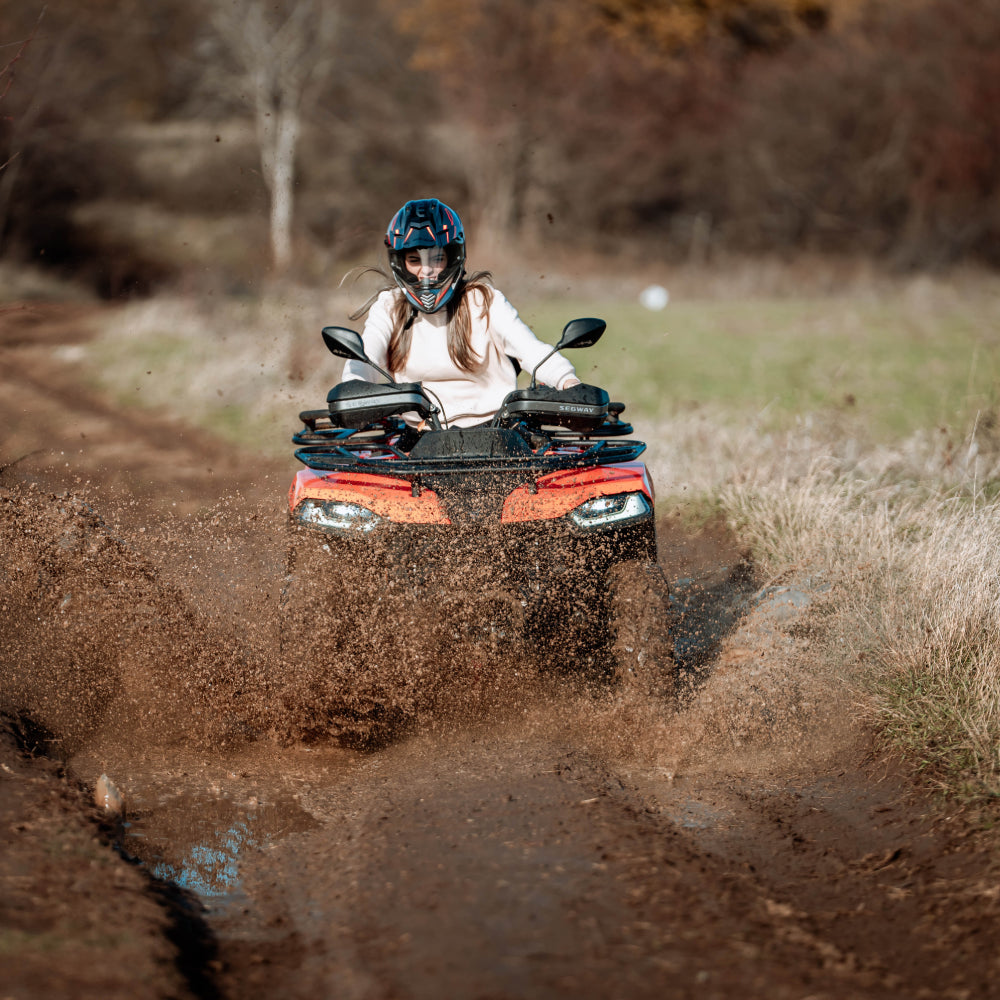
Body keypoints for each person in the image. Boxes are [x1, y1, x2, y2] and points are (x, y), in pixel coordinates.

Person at [342, 198, 581, 429]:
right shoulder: (389, 306)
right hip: (420, 437)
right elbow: (366, 358)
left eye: (437, 258)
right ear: (399, 263)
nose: (426, 272)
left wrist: (568, 381)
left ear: (454, 257)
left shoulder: (484, 301)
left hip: (498, 432)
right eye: (414, 259)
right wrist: (354, 386)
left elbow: (531, 350)